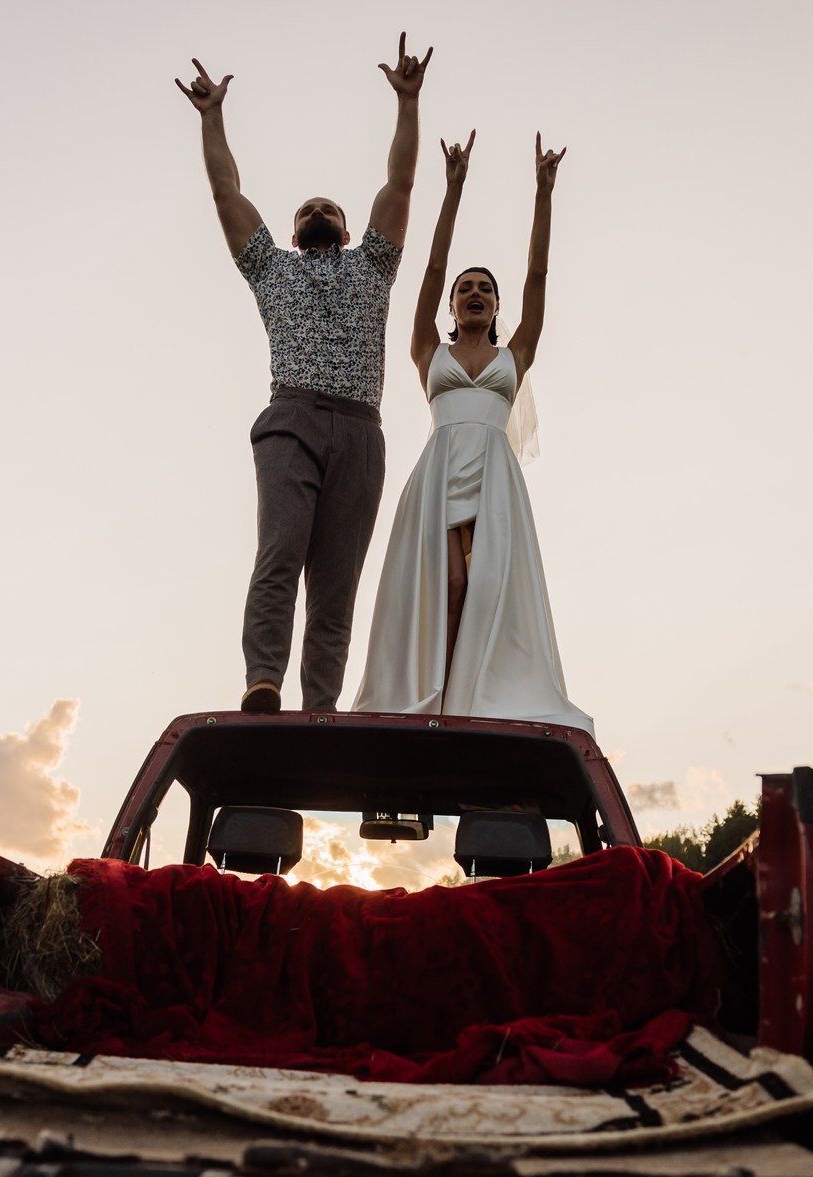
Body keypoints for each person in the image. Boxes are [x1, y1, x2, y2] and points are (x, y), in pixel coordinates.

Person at [176, 35, 431, 715]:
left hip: (359, 430)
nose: (319, 212)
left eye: (331, 209)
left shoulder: (374, 265)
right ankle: (264, 678)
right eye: (306, 211)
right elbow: (225, 190)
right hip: (290, 419)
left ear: (348, 232)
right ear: (293, 236)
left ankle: (320, 703)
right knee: (280, 553)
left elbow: (400, 183)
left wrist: (408, 104)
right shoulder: (271, 270)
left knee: (337, 583)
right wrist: (212, 118)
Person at [351, 132, 592, 734]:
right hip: (440, 474)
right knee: (450, 583)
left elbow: (538, 274)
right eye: (466, 289)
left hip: (494, 477)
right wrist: (453, 189)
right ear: (453, 306)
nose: (475, 293)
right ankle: (434, 699)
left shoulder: (516, 354)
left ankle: (474, 701)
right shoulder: (428, 349)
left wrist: (544, 192)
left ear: (496, 304)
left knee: (487, 585)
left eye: (485, 288)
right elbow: (431, 267)